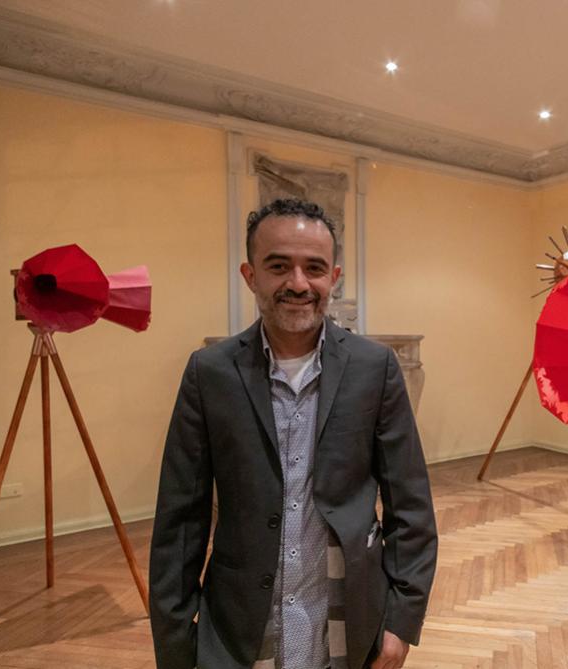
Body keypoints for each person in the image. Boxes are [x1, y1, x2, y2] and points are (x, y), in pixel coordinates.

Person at [149, 198, 437, 669]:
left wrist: (402, 620)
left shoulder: (374, 368)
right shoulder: (210, 373)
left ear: (333, 277)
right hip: (239, 629)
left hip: (349, 624)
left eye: (314, 268)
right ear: (250, 275)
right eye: (279, 266)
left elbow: (410, 504)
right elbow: (179, 522)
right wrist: (177, 643)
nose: (298, 283)